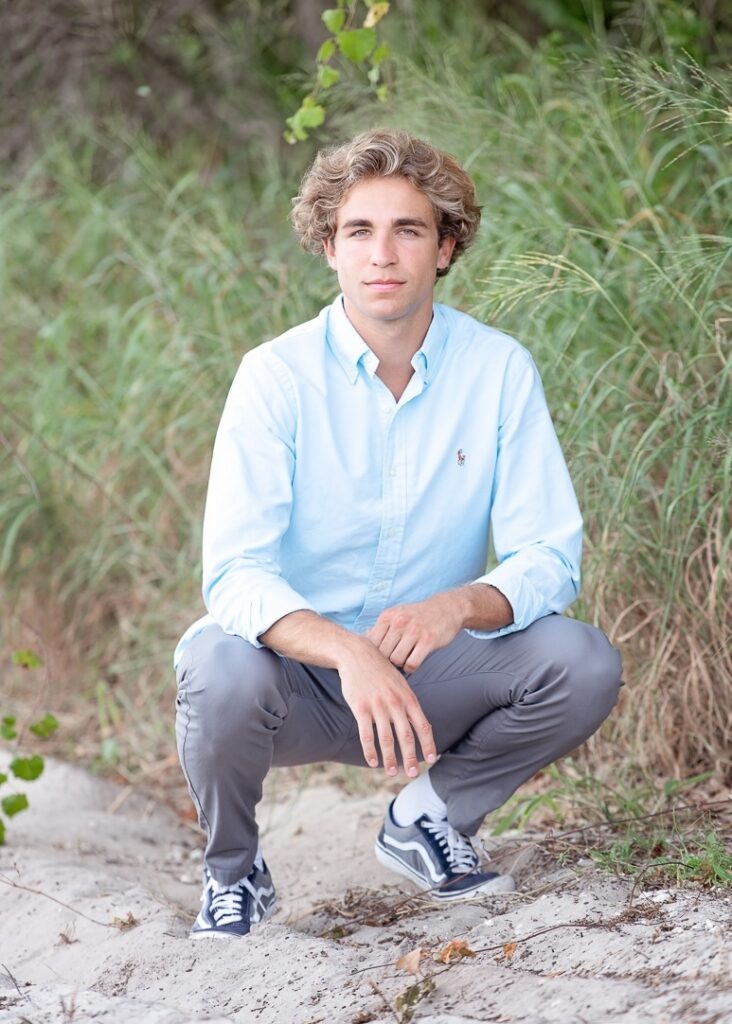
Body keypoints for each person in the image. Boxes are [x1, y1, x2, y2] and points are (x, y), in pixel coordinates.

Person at [173, 129, 622, 939]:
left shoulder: (498, 369)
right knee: (216, 666)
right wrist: (349, 653)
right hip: (295, 681)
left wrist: (455, 607)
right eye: (359, 231)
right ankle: (232, 872)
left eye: (408, 230)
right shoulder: (275, 376)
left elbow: (550, 557)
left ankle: (429, 817)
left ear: (445, 248)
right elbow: (235, 573)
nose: (382, 254)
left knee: (581, 660)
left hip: (430, 677)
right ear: (329, 248)